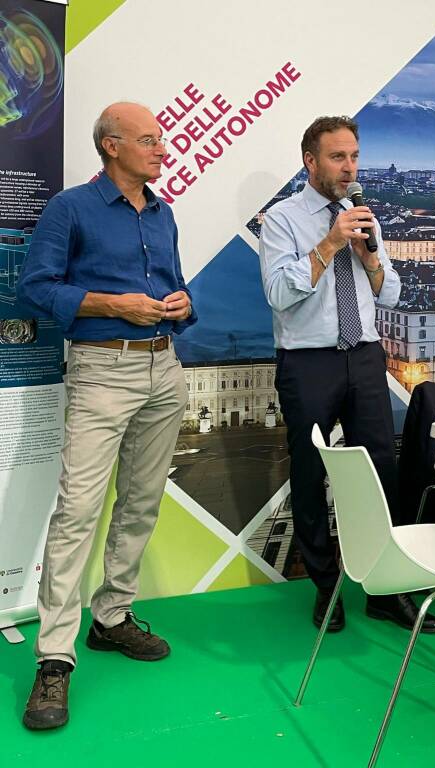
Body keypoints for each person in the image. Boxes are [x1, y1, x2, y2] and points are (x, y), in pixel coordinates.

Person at [16, 102, 197, 730]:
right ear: (111, 145)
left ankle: (112, 617)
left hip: (163, 368)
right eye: (149, 140)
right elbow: (34, 288)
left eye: (161, 139)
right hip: (101, 368)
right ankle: (54, 660)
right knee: (78, 512)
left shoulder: (163, 210)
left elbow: (174, 284)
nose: (161, 148)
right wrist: (110, 304)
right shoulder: (71, 207)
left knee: (142, 502)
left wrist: (180, 303)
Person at [259, 116, 435, 634]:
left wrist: (371, 256)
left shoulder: (363, 216)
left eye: (355, 156)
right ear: (310, 162)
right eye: (338, 157)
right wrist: (329, 244)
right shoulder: (282, 220)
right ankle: (326, 586)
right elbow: (278, 294)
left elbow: (390, 293)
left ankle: (386, 588)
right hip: (308, 360)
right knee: (311, 474)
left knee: (381, 472)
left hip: (364, 356)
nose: (349, 168)